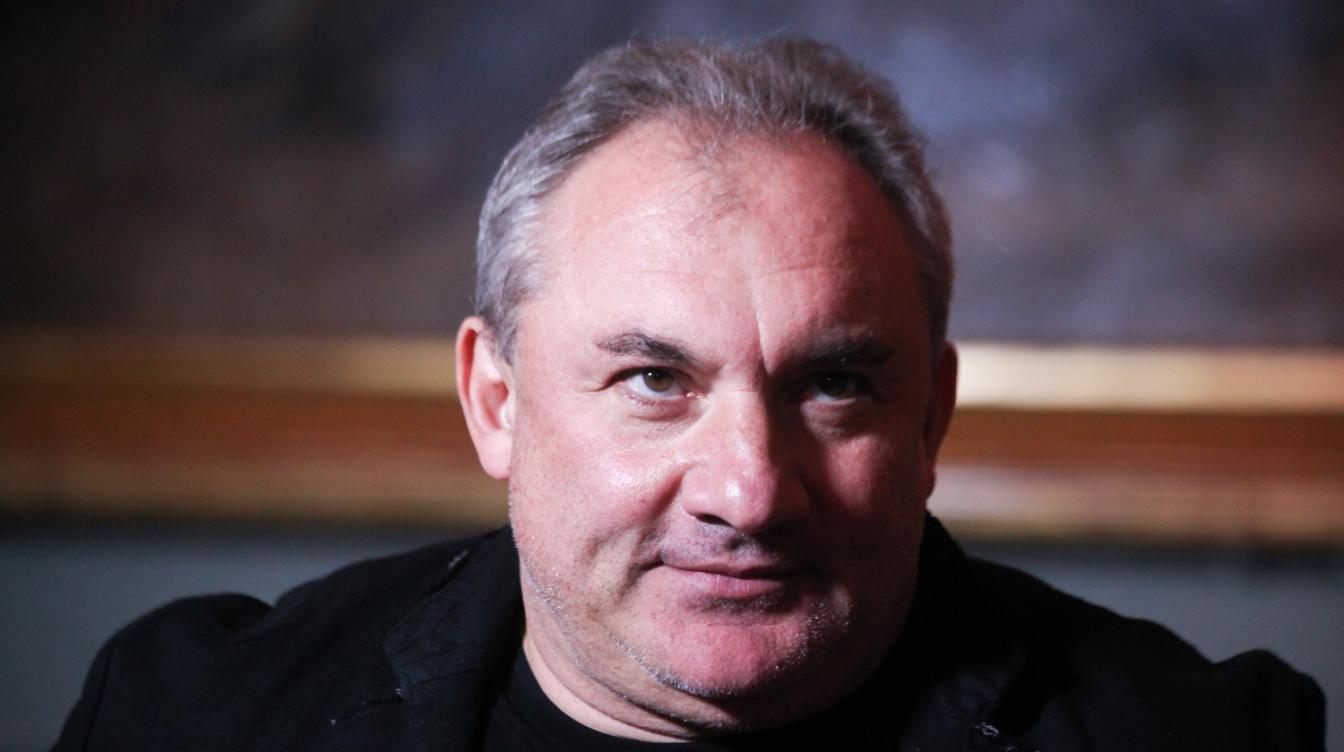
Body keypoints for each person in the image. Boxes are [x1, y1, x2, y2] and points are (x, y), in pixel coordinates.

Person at [55, 37, 1323, 751]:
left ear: (931, 417)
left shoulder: (1206, 736)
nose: (749, 492)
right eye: (655, 379)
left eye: (834, 384)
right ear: (496, 401)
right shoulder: (190, 714)